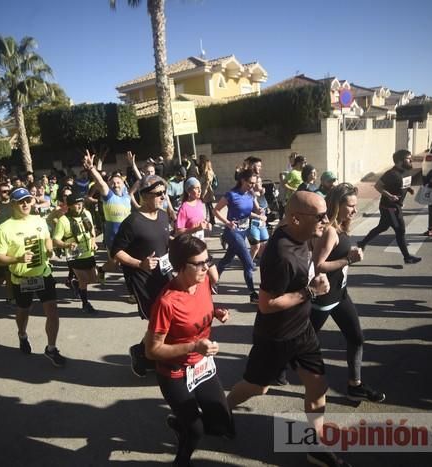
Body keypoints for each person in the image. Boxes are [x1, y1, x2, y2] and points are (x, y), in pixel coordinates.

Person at [226, 192, 347, 467]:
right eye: (320, 216)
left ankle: (316, 446)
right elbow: (267, 305)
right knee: (259, 387)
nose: (326, 220)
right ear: (296, 218)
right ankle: (218, 410)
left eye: (325, 214)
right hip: (276, 336)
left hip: (302, 329)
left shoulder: (297, 230)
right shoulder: (279, 254)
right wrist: (310, 291)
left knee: (318, 385)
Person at [145, 234, 233, 466]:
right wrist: (194, 346)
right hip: (175, 372)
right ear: (181, 267)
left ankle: (180, 421)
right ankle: (182, 456)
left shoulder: (202, 282)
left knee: (221, 418)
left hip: (202, 365)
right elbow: (152, 350)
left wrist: (216, 313)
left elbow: (200, 309)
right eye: (200, 263)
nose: (207, 267)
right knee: (195, 430)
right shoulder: (167, 302)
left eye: (208, 261)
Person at [311, 183, 385, 402]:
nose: (355, 210)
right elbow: (318, 265)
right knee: (302, 342)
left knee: (356, 338)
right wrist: (347, 259)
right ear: (337, 205)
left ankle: (355, 385)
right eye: (351, 205)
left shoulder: (341, 227)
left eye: (355, 205)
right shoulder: (330, 231)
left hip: (340, 294)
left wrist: (347, 254)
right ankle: (273, 370)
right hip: (323, 299)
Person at [0, 187, 66, 367]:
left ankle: (51, 348)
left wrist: (49, 249)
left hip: (43, 273)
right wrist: (17, 258)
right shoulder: (5, 228)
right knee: (24, 311)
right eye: (21, 201)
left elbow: (47, 236)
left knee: (52, 311)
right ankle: (22, 334)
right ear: (13, 204)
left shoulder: (38, 220)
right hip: (21, 278)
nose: (25, 204)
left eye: (28, 200)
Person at [111, 174, 173, 377]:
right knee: (157, 323)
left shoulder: (163, 215)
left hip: (165, 276)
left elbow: (165, 241)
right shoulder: (133, 222)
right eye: (158, 194)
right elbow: (116, 251)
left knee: (167, 320)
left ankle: (143, 352)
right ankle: (147, 354)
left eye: (164, 193)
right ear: (145, 196)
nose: (163, 197)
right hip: (143, 281)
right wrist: (140, 263)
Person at [357, 149, 421, 264]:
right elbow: (378, 186)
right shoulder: (391, 174)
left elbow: (402, 184)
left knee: (382, 227)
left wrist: (409, 189)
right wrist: (390, 196)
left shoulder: (406, 171)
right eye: (408, 158)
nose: (411, 160)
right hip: (390, 207)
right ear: (400, 161)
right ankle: (407, 257)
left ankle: (362, 243)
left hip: (395, 206)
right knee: (400, 230)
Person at [213, 169, 262, 303]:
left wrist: (259, 214)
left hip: (244, 231)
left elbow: (247, 213)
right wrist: (227, 223)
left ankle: (212, 281)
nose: (252, 186)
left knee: (227, 259)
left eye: (254, 183)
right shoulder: (231, 194)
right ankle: (252, 293)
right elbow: (215, 210)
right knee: (248, 263)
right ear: (242, 180)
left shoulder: (250, 194)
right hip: (232, 232)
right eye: (250, 183)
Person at [83, 151, 132, 281]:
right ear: (109, 185)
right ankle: (101, 269)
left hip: (128, 235)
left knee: (129, 263)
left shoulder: (127, 196)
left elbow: (141, 182)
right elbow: (100, 181)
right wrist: (92, 168)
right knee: (114, 264)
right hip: (112, 236)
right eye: (113, 183)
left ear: (123, 184)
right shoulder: (108, 196)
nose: (116, 185)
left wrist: (132, 165)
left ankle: (133, 291)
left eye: (118, 182)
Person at [52, 193, 99, 314]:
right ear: (70, 206)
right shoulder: (63, 220)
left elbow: (91, 229)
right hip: (74, 255)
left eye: (80, 204)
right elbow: (56, 240)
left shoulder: (87, 213)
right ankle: (85, 304)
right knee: (83, 280)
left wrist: (93, 242)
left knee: (93, 278)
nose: (79, 206)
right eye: (76, 205)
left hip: (88, 252)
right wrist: (67, 245)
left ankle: (74, 282)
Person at [248, 176, 269, 263]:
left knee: (264, 245)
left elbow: (265, 208)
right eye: (258, 182)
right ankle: (248, 264)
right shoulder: (249, 195)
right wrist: (259, 215)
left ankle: (261, 262)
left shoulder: (262, 194)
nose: (261, 184)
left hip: (262, 223)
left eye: (261, 182)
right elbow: (246, 212)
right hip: (252, 223)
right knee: (255, 246)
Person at [198, 156, 218, 225]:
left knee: (209, 206)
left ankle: (212, 219)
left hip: (207, 191)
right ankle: (211, 219)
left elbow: (207, 182)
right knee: (208, 205)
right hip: (207, 190)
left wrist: (203, 192)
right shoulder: (209, 172)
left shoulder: (208, 172)